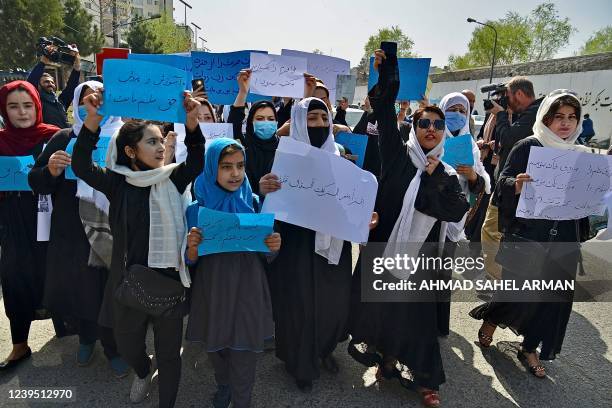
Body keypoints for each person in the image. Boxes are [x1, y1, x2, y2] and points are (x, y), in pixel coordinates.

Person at [348, 48, 469, 408]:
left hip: (421, 261)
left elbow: (455, 210)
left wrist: (434, 180)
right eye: (423, 124)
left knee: (417, 324)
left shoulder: (445, 173)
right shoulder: (398, 158)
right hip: (385, 250)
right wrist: (389, 69)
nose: (431, 129)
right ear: (414, 129)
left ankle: (427, 382)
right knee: (385, 312)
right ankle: (386, 363)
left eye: (437, 125)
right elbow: (384, 112)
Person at [71, 88, 205, 407]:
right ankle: (144, 372)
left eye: (161, 140)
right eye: (151, 141)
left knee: (170, 355)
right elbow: (80, 165)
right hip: (127, 282)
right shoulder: (117, 183)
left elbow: (197, 159)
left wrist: (191, 121)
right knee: (128, 346)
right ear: (131, 151)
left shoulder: (173, 179)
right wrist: (92, 121)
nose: (160, 147)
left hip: (169, 282)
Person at [470, 90, 591, 378]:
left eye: (571, 118)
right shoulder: (529, 146)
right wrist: (517, 185)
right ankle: (493, 317)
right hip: (528, 235)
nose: (565, 124)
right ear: (546, 118)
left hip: (564, 237)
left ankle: (529, 348)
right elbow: (501, 184)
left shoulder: (582, 153)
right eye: (558, 117)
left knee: (552, 300)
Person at [27, 81, 128, 376]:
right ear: (75, 103)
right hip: (72, 230)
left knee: (110, 288)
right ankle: (86, 337)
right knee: (81, 288)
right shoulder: (62, 137)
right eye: (85, 99)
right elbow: (36, 181)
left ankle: (114, 347)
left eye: (99, 98)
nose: (93, 103)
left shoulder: (123, 137)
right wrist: (51, 170)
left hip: (112, 226)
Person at [258, 97, 355, 393]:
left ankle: (323, 350)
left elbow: (352, 201)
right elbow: (264, 200)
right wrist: (263, 189)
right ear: (299, 121)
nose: (320, 125)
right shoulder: (280, 158)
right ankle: (299, 363)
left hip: (331, 247)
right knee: (298, 307)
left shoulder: (340, 155)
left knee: (331, 304)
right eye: (312, 119)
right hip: (295, 245)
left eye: (324, 119)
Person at [185, 137, 280, 408]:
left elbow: (268, 254)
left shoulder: (254, 202)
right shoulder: (197, 209)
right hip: (212, 290)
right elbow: (190, 261)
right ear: (211, 167)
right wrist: (192, 247)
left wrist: (274, 245)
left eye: (240, 166)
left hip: (248, 289)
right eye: (226, 166)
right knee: (216, 348)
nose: (235, 173)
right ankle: (223, 383)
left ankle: (241, 399)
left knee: (244, 351)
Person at [0, 81, 60, 371]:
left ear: (37, 106)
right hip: (12, 220)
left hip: (48, 215)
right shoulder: (0, 141)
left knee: (54, 271)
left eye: (27, 105)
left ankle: (68, 328)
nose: (21, 112)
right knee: (14, 277)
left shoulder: (54, 137)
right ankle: (20, 345)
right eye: (13, 106)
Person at [436, 92, 490, 335]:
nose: (457, 115)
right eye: (452, 109)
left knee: (442, 271)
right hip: (428, 214)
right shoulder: (429, 134)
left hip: (453, 217)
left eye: (462, 110)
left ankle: (436, 323)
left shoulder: (469, 144)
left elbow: (482, 183)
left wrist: (472, 175)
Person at [480, 77, 543, 283]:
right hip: (515, 185)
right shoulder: (531, 113)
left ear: (518, 94)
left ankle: (500, 283)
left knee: (491, 233)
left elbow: (508, 139)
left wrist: (499, 115)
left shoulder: (534, 114)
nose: (505, 102)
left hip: (515, 187)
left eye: (506, 96)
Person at [227, 69, 279, 195]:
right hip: (249, 209)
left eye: (271, 119)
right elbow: (233, 125)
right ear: (251, 123)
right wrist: (243, 92)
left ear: (277, 123)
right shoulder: (243, 145)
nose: (266, 122)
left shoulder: (283, 148)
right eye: (260, 119)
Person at [27, 49, 81, 128]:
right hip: (47, 139)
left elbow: (71, 87)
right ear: (38, 85)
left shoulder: (60, 101)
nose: (50, 84)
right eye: (46, 82)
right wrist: (43, 62)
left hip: (65, 137)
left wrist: (77, 66)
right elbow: (31, 82)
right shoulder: (37, 101)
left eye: (52, 82)